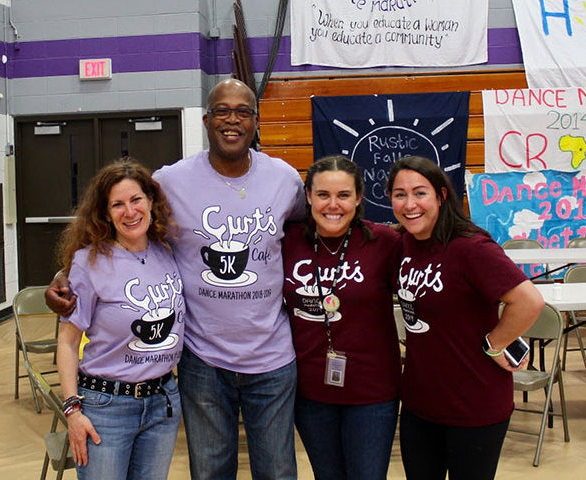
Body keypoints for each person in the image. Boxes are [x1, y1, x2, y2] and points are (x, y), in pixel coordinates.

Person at [47, 79, 305, 480]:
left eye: (242, 111)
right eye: (222, 110)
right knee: (209, 472)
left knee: (276, 471)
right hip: (202, 362)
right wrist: (63, 277)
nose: (232, 119)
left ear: (257, 121)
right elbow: (114, 227)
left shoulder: (286, 180)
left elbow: (313, 232)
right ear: (206, 119)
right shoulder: (171, 181)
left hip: (271, 360)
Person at [385, 156, 544, 480]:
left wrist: (495, 344)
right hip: (421, 405)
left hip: (474, 407)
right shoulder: (403, 245)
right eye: (399, 194)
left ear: (442, 196)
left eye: (420, 193)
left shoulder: (471, 247)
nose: (409, 203)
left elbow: (528, 301)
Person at [56, 158, 184, 479]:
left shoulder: (166, 253)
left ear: (151, 202)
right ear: (105, 213)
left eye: (136, 200)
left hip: (162, 402)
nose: (129, 212)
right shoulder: (89, 262)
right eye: (117, 204)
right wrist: (72, 410)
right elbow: (68, 343)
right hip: (106, 407)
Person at [282, 155, 402, 480]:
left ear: (359, 197)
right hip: (310, 393)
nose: (332, 205)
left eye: (343, 195)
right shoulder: (287, 241)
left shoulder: (384, 243)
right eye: (323, 195)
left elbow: (432, 293)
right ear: (308, 196)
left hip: (372, 394)